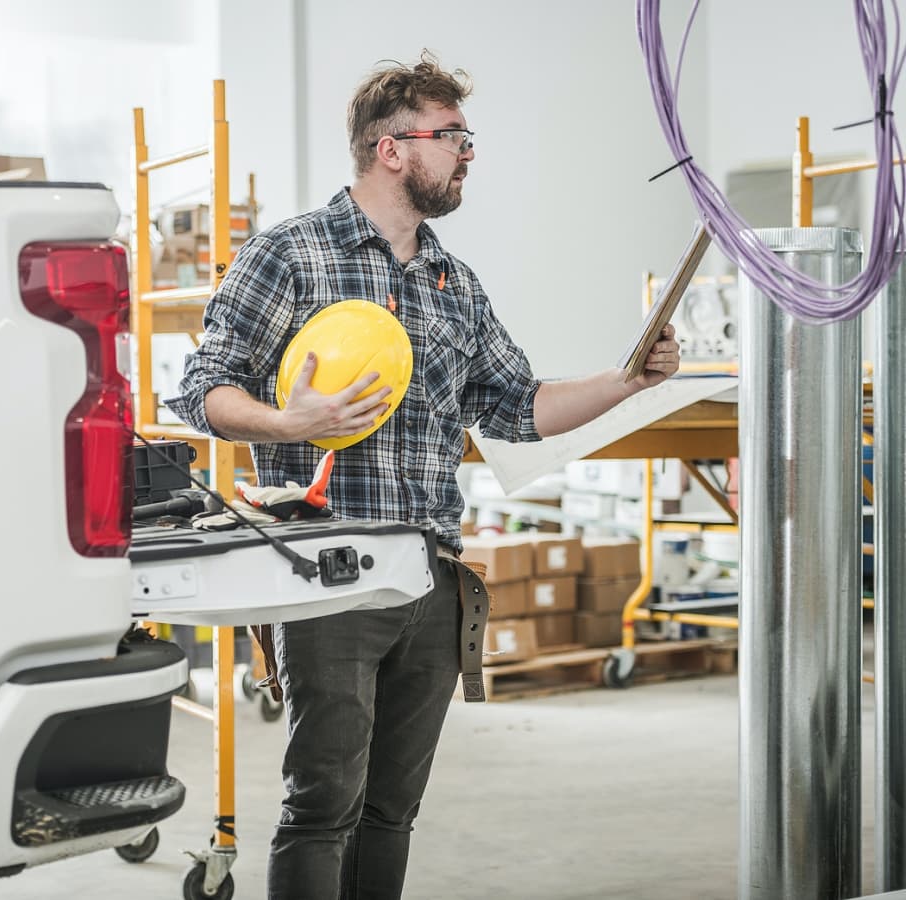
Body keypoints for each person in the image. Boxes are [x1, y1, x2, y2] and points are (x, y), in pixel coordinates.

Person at [166, 52, 680, 900]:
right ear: (391, 148)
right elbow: (202, 388)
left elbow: (521, 406)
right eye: (452, 136)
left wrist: (626, 381)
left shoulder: (453, 283)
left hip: (430, 576)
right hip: (327, 574)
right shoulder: (291, 255)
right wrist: (287, 423)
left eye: (465, 138)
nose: (467, 152)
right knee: (322, 800)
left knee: (392, 808)